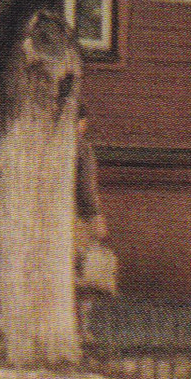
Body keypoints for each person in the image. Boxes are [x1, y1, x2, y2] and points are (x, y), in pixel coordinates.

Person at [74, 108, 111, 340]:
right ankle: (81, 329)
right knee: (84, 272)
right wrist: (96, 217)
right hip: (77, 218)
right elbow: (86, 189)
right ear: (81, 122)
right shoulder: (81, 148)